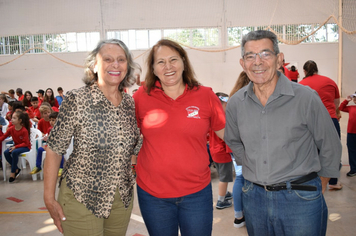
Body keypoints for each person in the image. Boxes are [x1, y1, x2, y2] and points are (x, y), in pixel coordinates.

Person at [224, 30, 342, 236]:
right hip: (255, 200)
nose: (257, 62)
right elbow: (234, 141)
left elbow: (330, 144)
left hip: (301, 198)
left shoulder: (305, 98)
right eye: (250, 56)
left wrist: (321, 184)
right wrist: (254, 167)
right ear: (243, 64)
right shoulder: (236, 103)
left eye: (265, 54)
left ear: (279, 60)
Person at [43, 38, 142, 235]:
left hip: (121, 199)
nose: (115, 64)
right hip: (82, 196)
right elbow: (54, 149)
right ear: (94, 65)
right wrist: (49, 198)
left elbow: (133, 149)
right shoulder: (77, 100)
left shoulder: (130, 104)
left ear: (127, 67)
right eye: (107, 59)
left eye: (121, 60)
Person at [133, 39, 225, 236]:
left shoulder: (206, 95)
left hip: (196, 193)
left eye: (173, 59)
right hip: (153, 195)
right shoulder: (141, 97)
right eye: (161, 62)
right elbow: (126, 138)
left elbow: (228, 134)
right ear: (153, 68)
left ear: (184, 62)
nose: (168, 66)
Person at [300, 60, 342, 190]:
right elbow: (336, 103)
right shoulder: (330, 81)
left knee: (310, 153)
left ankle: (311, 181)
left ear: (304, 71)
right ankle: (333, 182)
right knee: (332, 151)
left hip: (309, 123)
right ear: (317, 69)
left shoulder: (301, 84)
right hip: (330, 119)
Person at [229, 71, 250, 228]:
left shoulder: (233, 97)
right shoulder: (248, 97)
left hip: (234, 146)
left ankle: (238, 216)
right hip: (247, 146)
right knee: (247, 179)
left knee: (239, 178)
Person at [209, 92, 233, 210]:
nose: (228, 106)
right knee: (224, 178)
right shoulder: (223, 120)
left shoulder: (213, 118)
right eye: (226, 104)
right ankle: (221, 200)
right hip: (223, 154)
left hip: (214, 152)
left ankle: (225, 193)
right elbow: (226, 138)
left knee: (222, 175)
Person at [30, 112, 64, 177]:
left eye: (53, 120)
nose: (51, 122)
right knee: (40, 149)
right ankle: (38, 166)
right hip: (50, 145)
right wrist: (46, 139)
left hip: (59, 145)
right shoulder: (49, 129)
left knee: (60, 151)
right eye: (50, 120)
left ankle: (61, 167)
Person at [0, 111, 31, 182]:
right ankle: (16, 168)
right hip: (16, 147)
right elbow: (4, 136)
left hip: (25, 147)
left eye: (14, 118)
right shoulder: (11, 129)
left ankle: (13, 172)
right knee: (6, 153)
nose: (12, 120)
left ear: (20, 121)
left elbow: (26, 143)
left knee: (14, 152)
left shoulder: (24, 130)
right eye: (12, 118)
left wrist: (15, 147)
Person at [339, 92, 356, 177]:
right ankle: (353, 169)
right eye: (354, 98)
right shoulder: (351, 108)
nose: (355, 99)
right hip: (351, 133)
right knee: (352, 150)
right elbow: (341, 108)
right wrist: (346, 100)